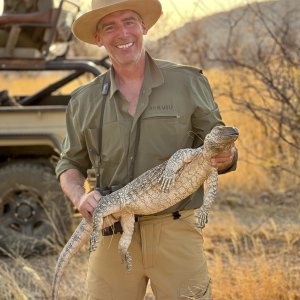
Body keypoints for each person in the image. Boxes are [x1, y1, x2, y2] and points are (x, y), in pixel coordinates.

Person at [55, 0, 238, 299]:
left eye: (129, 21)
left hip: (176, 231)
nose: (122, 33)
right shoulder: (82, 100)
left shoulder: (187, 82)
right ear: (99, 38)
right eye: (109, 26)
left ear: (144, 27)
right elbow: (68, 164)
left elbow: (218, 143)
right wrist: (80, 196)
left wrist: (226, 157)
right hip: (113, 233)